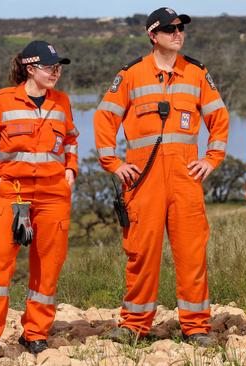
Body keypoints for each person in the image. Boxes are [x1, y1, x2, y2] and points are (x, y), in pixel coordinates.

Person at [93, 7, 229, 346]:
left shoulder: (196, 73)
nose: (178, 34)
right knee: (141, 253)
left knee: (192, 253)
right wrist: (113, 162)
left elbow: (220, 118)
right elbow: (104, 118)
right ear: (153, 36)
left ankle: (196, 327)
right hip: (143, 181)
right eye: (170, 30)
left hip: (185, 179)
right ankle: (134, 325)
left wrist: (211, 159)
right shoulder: (132, 75)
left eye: (181, 28)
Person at [0, 40, 78, 355]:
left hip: (54, 195)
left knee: (48, 264)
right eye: (49, 67)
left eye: (58, 68)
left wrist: (71, 168)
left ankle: (35, 334)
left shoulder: (63, 102)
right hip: (12, 193)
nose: (56, 73)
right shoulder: (3, 101)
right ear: (30, 68)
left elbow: (70, 138)